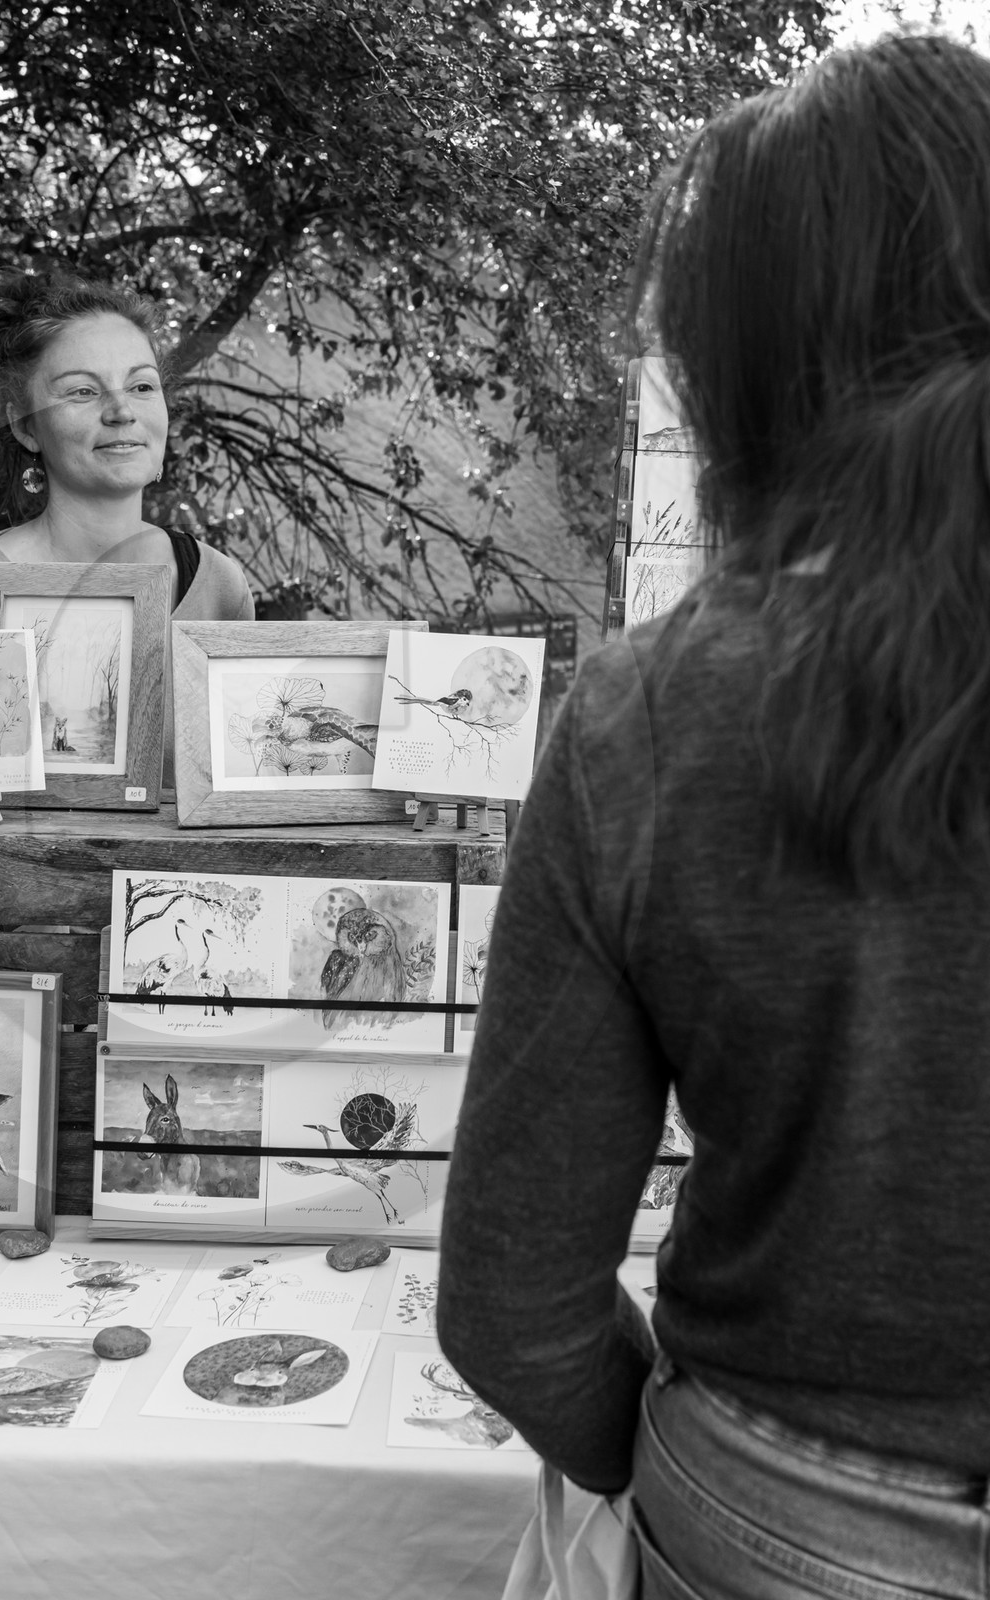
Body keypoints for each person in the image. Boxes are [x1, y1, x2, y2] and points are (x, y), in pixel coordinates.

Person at [438, 34, 990, 1598]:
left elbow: (511, 1306)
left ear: (738, 362)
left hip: (787, 1514)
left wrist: (687, 1476)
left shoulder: (650, 715)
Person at [0, 271, 254, 628]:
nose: (122, 412)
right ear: (25, 426)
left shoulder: (220, 589)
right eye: (83, 392)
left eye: (141, 386)